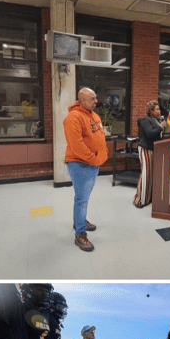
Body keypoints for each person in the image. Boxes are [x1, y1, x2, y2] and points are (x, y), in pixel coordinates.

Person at [63, 87, 109, 252]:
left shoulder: (94, 116)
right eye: (92, 98)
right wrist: (96, 159)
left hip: (93, 163)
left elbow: (100, 137)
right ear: (81, 100)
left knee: (84, 196)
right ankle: (80, 233)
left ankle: (79, 220)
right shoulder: (73, 118)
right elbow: (77, 147)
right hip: (80, 163)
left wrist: (103, 154)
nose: (96, 101)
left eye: (96, 98)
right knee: (82, 199)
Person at [134, 100, 166, 208]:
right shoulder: (145, 120)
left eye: (159, 109)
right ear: (150, 111)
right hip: (145, 149)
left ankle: (148, 197)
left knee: (151, 174)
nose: (159, 111)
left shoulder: (155, 120)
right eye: (157, 109)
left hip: (153, 149)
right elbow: (149, 133)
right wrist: (161, 127)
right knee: (146, 173)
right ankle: (139, 200)